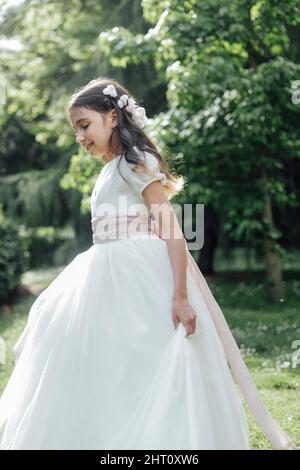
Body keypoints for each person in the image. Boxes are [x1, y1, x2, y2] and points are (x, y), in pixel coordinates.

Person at [0, 78, 296, 450]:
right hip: (103, 273)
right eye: (75, 128)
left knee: (145, 356)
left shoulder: (136, 163)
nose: (79, 136)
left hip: (137, 273)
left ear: (112, 117)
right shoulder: (110, 169)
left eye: (84, 125)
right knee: (93, 354)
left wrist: (179, 296)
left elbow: (172, 231)